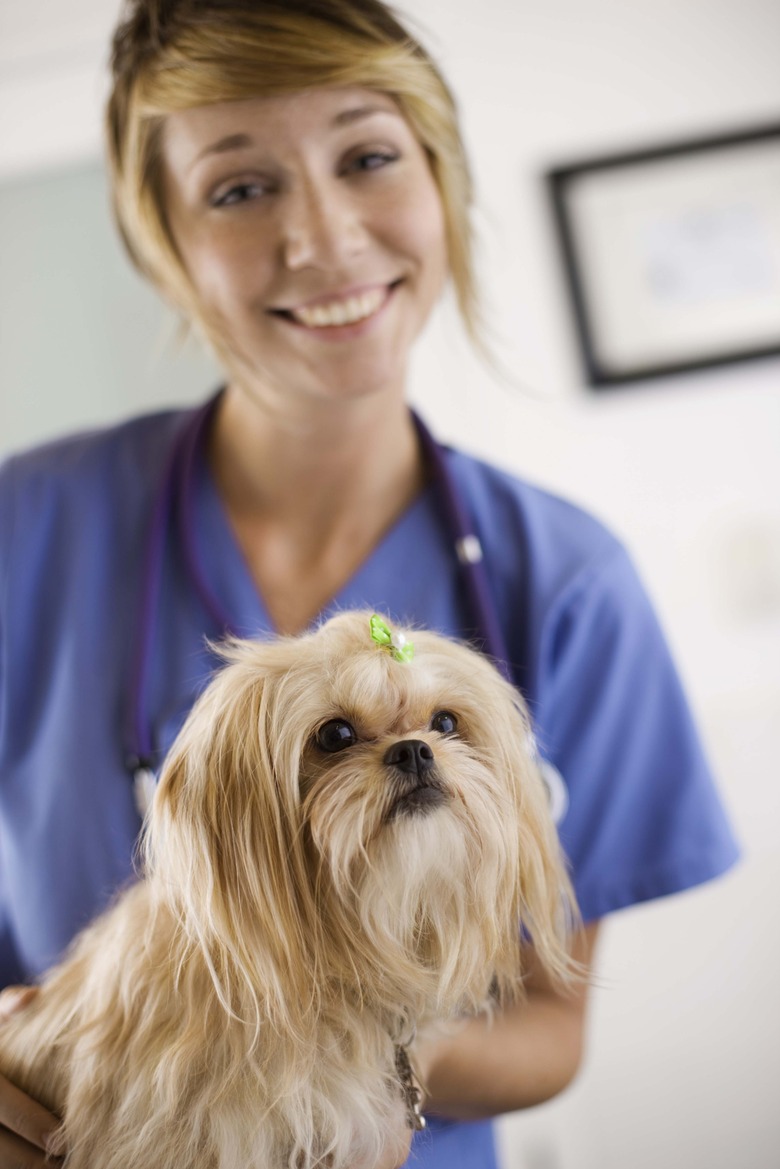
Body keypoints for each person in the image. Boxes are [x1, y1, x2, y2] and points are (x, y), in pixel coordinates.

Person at [0, 1, 740, 1166]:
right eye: (241, 188)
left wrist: (347, 1031)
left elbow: (549, 1023)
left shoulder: (571, 579)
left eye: (367, 158)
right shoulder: (24, 532)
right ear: (166, 246)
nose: (323, 237)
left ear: (444, 182)